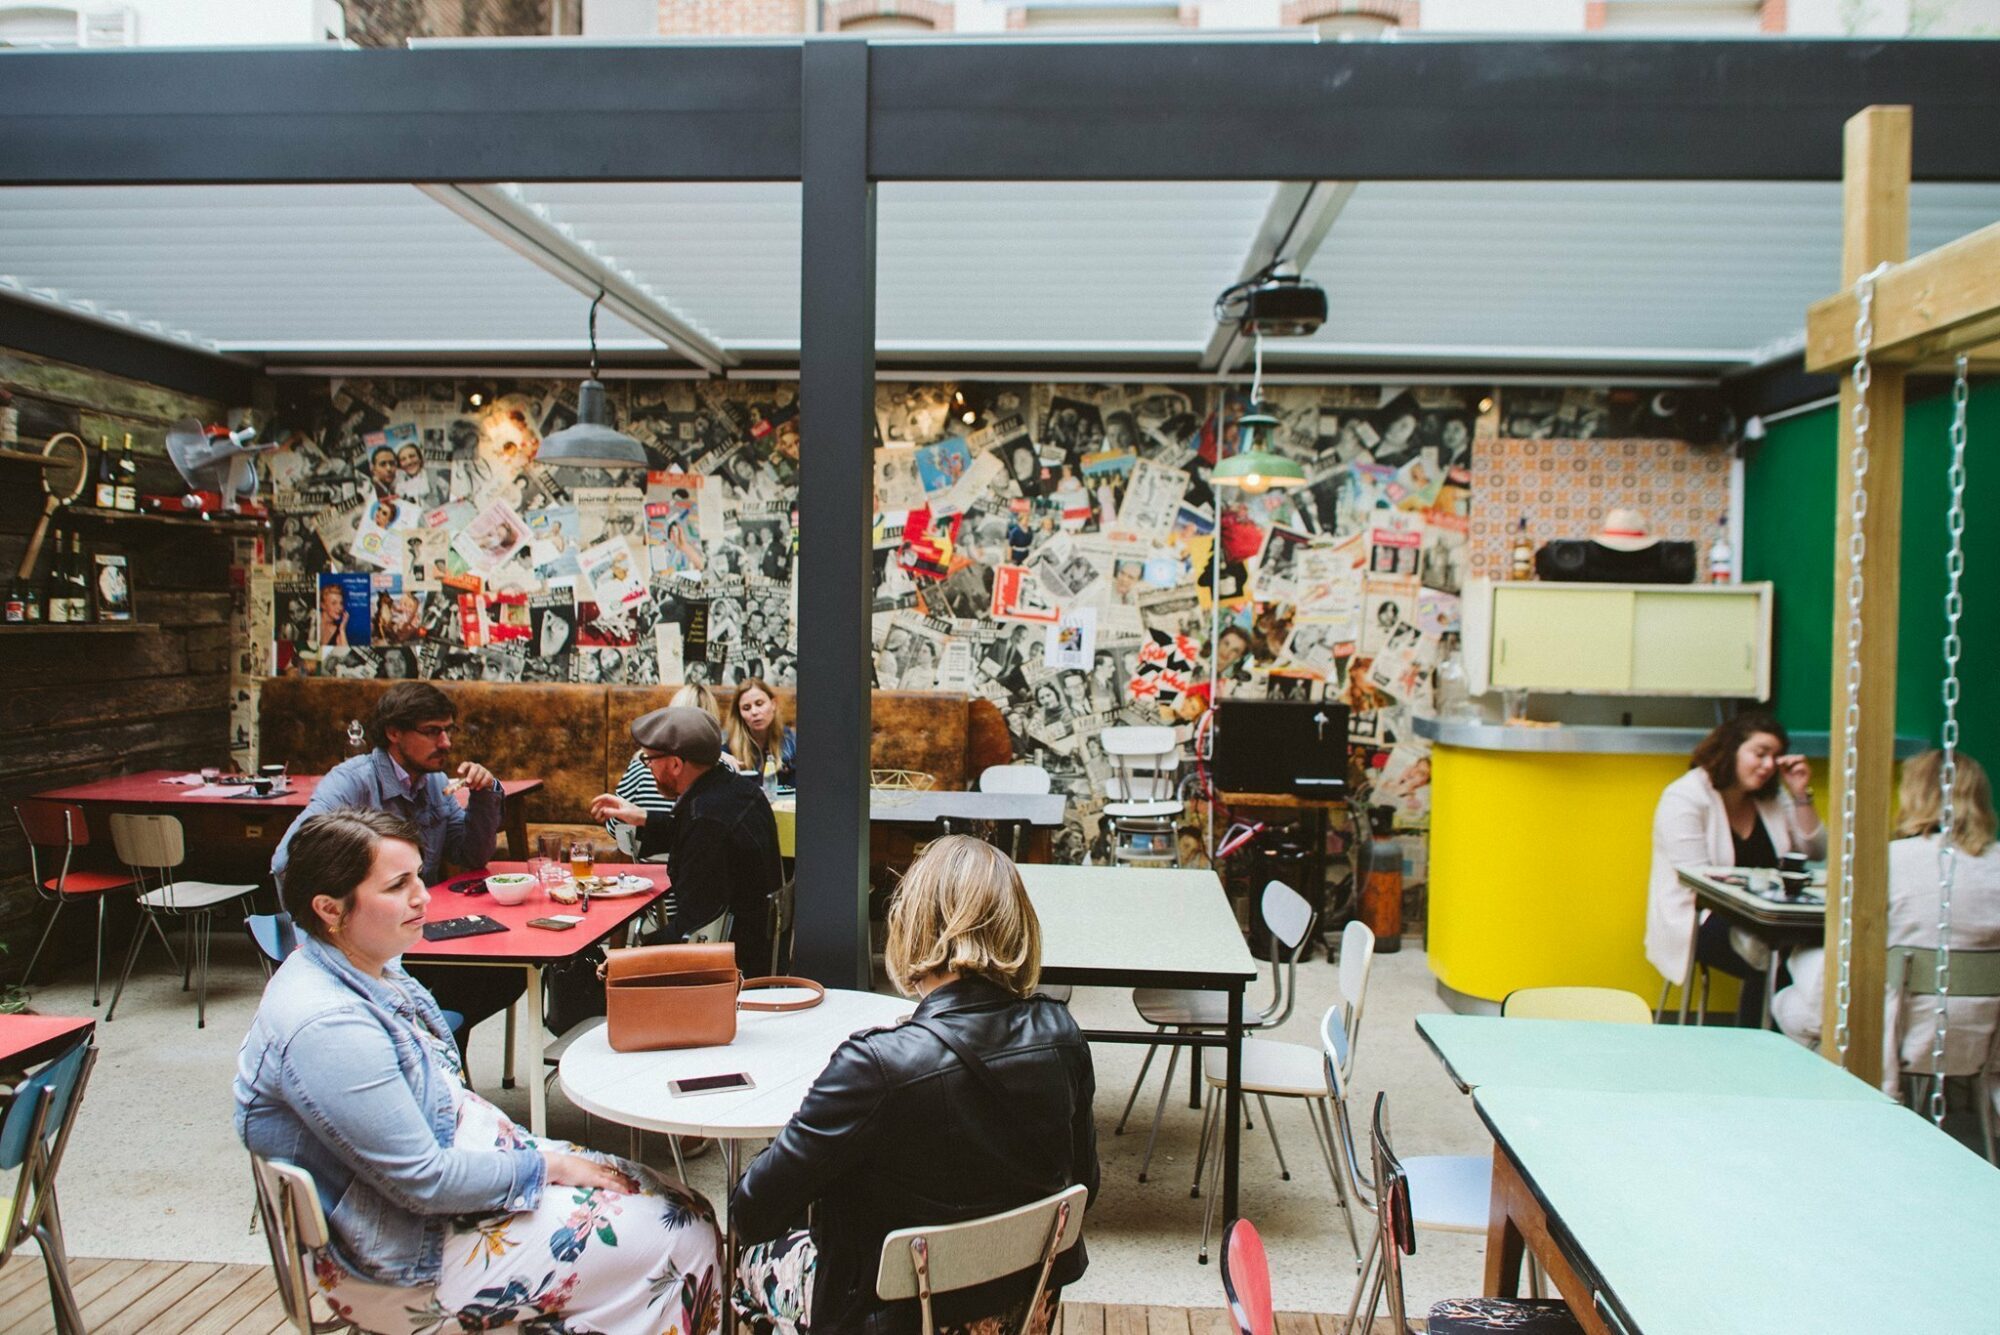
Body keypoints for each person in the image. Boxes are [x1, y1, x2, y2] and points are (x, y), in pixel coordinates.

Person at [237, 809, 722, 1334]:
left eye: (418, 875)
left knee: (685, 1204)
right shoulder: (326, 1027)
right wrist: (548, 1168)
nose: (422, 895)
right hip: (405, 1259)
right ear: (329, 909)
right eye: (398, 886)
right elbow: (422, 1180)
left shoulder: (363, 965)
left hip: (431, 1207)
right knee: (684, 1232)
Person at [731, 836, 1098, 1335]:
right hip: (1022, 1307)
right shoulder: (1062, 1037)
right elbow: (1084, 1187)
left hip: (888, 1317)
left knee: (743, 1260)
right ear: (1018, 928)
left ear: (915, 925)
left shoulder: (874, 1067)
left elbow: (751, 1213)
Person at [272, 682, 526, 1055]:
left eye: (448, 730)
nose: (446, 743)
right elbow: (286, 861)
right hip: (370, 941)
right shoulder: (352, 781)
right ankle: (421, 1047)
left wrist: (486, 796)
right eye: (431, 732)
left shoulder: (435, 780)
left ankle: (428, 1047)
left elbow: (469, 854)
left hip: (420, 929)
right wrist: (339, 931)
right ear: (393, 733)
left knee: (509, 971)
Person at [1773, 751, 2000, 1097]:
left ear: (1914, 796)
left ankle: (1834, 1096)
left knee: (1791, 999)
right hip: (1983, 1039)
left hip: (1893, 1032)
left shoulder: (1888, 860)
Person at [1645, 713, 1825, 1026]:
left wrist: (1800, 794)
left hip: (1768, 918)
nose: (1769, 765)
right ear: (1731, 750)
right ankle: (1761, 1048)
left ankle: (1784, 1041)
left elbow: (1815, 851)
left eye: (1775, 756)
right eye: (1760, 753)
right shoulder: (1685, 797)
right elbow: (1696, 878)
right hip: (1700, 915)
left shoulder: (1772, 799)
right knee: (1770, 955)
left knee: (1810, 946)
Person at [590, 706, 782, 970]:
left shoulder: (704, 822)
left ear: (676, 764)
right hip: (756, 949)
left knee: (583, 972)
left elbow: (693, 929)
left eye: (649, 761)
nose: (648, 769)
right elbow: (698, 836)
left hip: (730, 971)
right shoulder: (741, 791)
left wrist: (629, 959)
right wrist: (643, 816)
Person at [727, 678, 796, 784]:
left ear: (773, 704)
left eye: (759, 704)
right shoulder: (730, 748)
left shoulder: (791, 742)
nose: (754, 712)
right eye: (746, 708)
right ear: (739, 714)